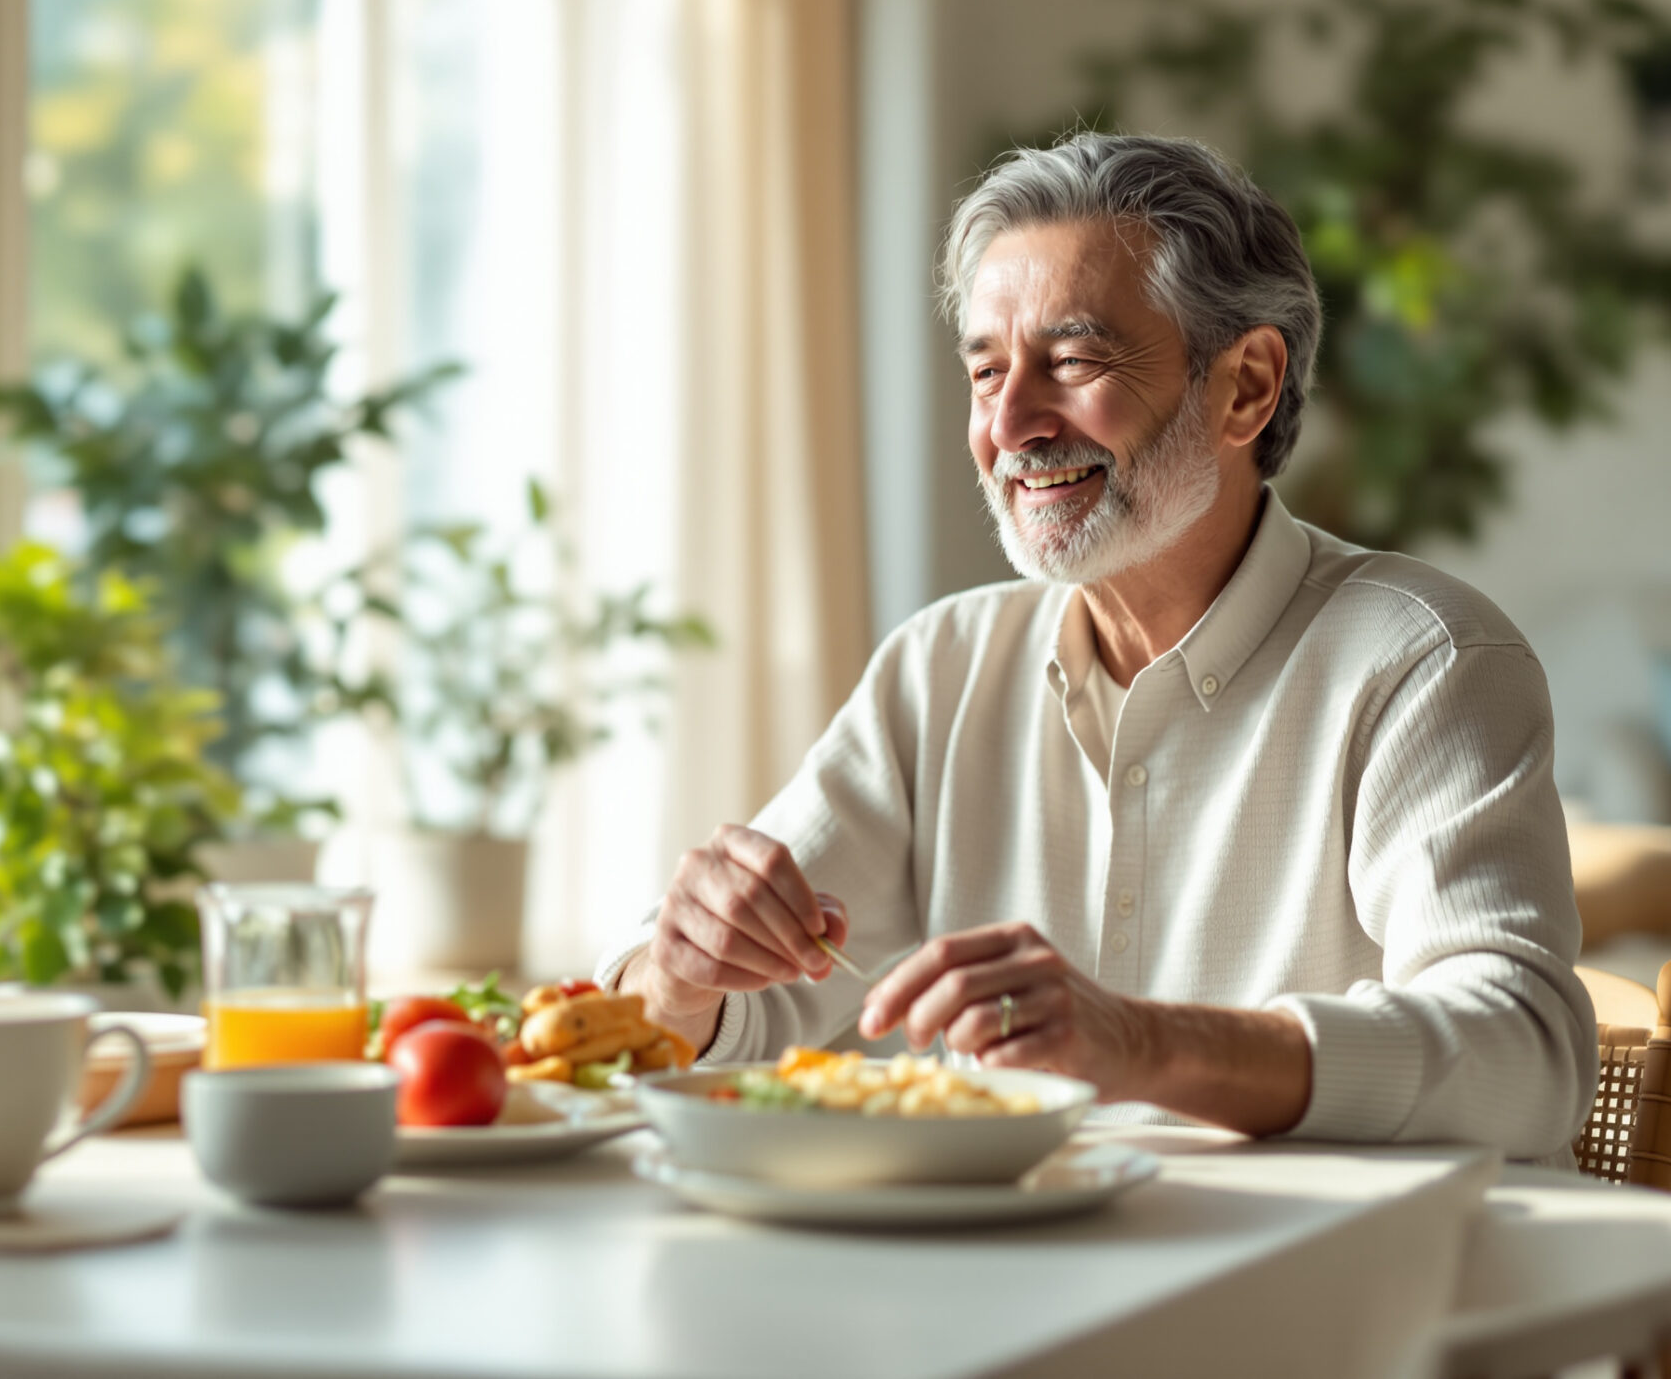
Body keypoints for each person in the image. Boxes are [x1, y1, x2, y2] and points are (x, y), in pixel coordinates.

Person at [600, 133, 1595, 1160]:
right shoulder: (939, 667)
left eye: (1072, 363)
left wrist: (1142, 1043)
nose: (1014, 423)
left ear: (1245, 386)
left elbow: (1526, 1059)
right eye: (986, 372)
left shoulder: (1423, 658)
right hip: (1004, 1286)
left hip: (1322, 1299)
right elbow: (718, 1026)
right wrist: (679, 976)